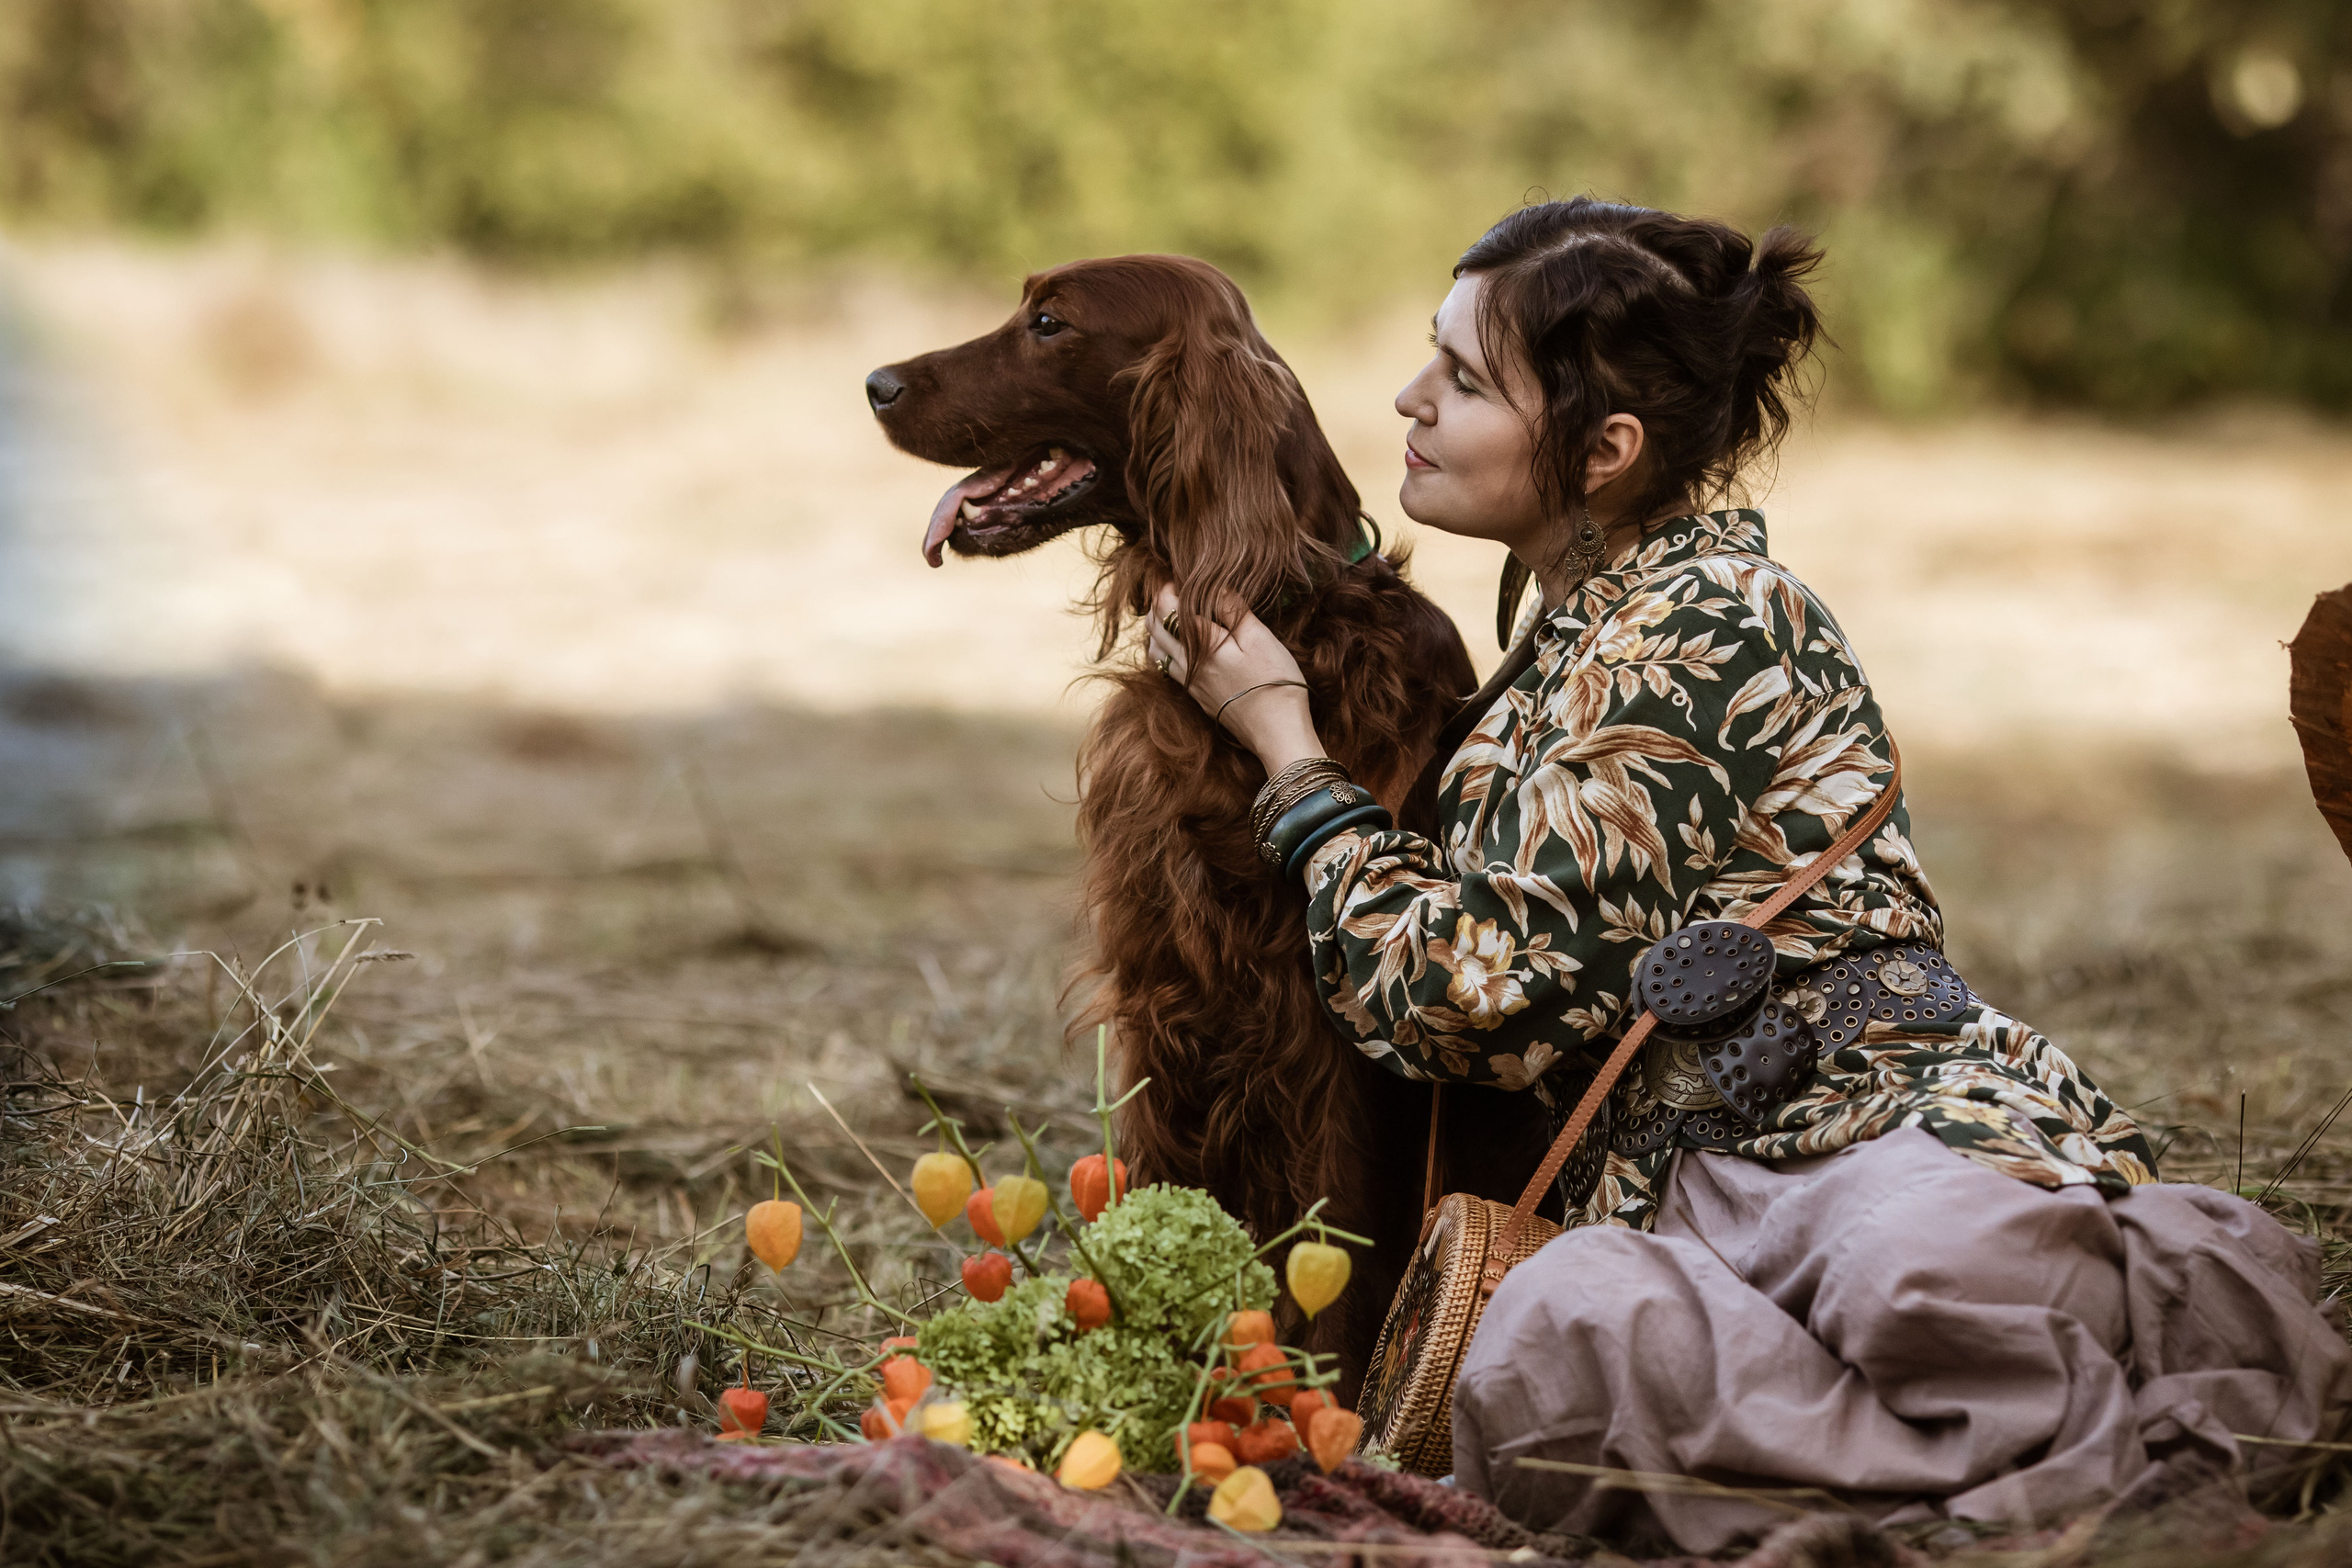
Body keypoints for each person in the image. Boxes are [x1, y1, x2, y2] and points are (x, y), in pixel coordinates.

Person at [1144, 197, 2350, 1553]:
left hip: (1860, 1129)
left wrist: (1288, 749)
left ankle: (2005, 1450)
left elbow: (1461, 997)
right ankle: (1963, 1484)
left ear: (1605, 450)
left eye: (1468, 380)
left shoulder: (1711, 616)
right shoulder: (1555, 649)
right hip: (1677, 1210)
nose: (1410, 401)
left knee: (1927, 1280)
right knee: (1545, 1341)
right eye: (1433, 357)